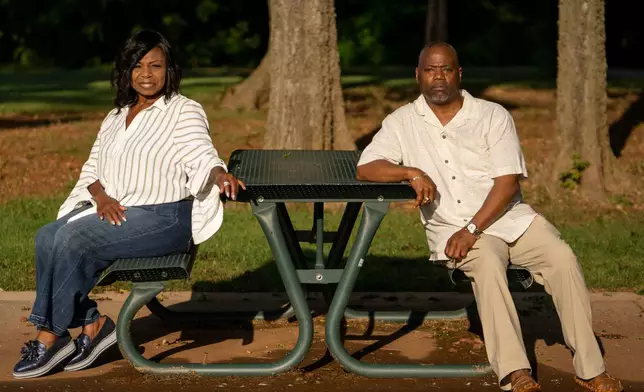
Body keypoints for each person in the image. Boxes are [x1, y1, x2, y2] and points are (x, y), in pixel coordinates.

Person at [356, 42, 623, 392]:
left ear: (459, 73)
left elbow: (508, 182)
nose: (439, 77)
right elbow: (366, 168)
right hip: (453, 228)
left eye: (446, 69)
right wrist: (411, 172)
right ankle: (514, 371)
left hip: (509, 219)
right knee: (487, 265)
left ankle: (590, 369)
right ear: (417, 75)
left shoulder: (492, 115)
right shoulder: (403, 121)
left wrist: (472, 228)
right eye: (431, 70)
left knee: (562, 258)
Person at [13, 29, 245, 379]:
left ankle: (51, 336)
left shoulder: (183, 110)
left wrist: (218, 175)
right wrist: (101, 196)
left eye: (155, 65)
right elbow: (92, 168)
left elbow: (201, 154)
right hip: (119, 212)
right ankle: (92, 324)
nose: (146, 74)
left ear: (170, 70)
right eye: (137, 66)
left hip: (165, 218)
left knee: (74, 240)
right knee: (47, 236)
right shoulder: (116, 115)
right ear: (126, 71)